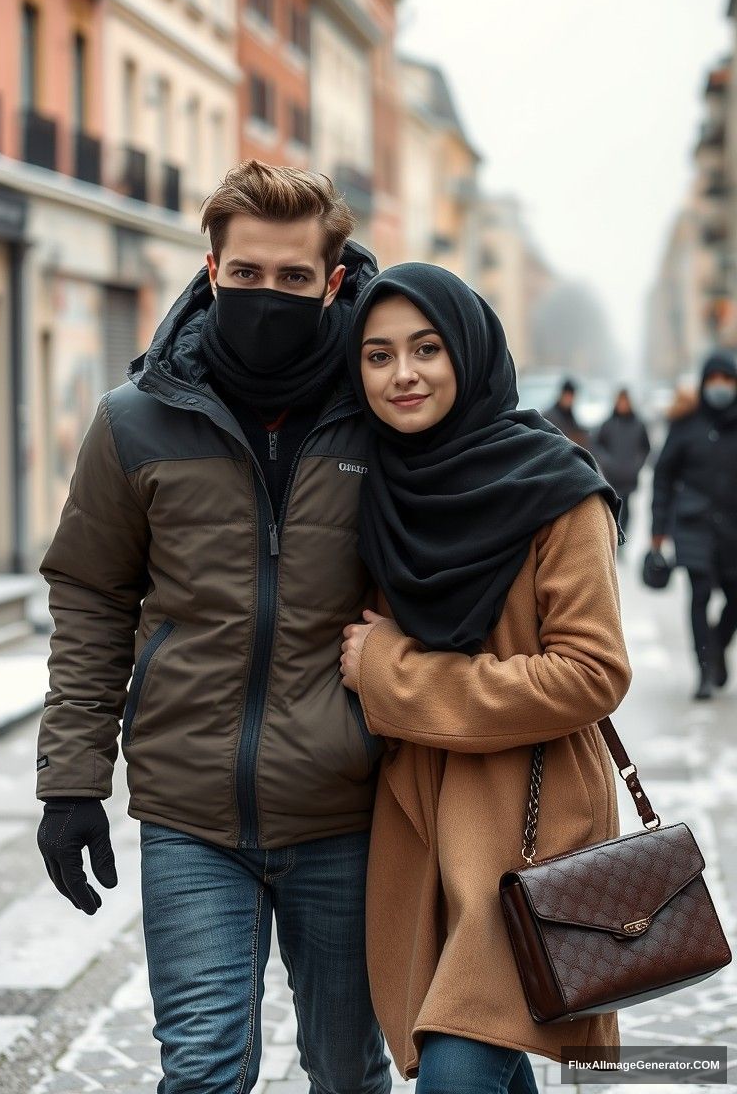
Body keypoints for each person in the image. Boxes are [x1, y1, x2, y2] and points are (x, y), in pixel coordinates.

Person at [35, 161, 392, 1094]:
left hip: (348, 812)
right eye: (245, 276)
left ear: (334, 281)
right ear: (210, 269)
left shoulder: (384, 421)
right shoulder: (134, 421)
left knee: (350, 1072)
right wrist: (72, 781)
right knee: (202, 1071)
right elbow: (91, 598)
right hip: (191, 814)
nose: (266, 296)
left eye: (293, 279)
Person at [338, 265, 631, 1092]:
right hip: (420, 829)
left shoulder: (557, 485)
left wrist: (393, 672)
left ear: (468, 351)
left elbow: (591, 672)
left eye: (427, 348)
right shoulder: (378, 486)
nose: (404, 374)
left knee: (460, 1068)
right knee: (483, 1053)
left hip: (531, 833)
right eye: (378, 355)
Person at [651, 352, 737, 701]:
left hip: (733, 527)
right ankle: (703, 670)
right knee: (699, 595)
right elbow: (663, 476)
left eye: (727, 378)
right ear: (703, 383)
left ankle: (716, 646)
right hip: (694, 525)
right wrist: (658, 532)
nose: (720, 386)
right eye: (713, 378)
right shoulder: (686, 424)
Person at [593, 387, 651, 537]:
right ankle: (612, 535)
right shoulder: (608, 424)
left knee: (626, 509)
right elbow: (598, 445)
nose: (623, 405)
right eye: (620, 401)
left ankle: (623, 537)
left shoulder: (638, 424)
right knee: (612, 507)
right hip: (612, 476)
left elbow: (646, 448)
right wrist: (606, 462)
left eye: (625, 401)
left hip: (629, 476)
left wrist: (636, 465)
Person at [542, 378, 592, 450]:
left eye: (572, 397)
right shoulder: (549, 416)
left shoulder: (569, 414)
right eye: (568, 396)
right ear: (562, 395)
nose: (570, 400)